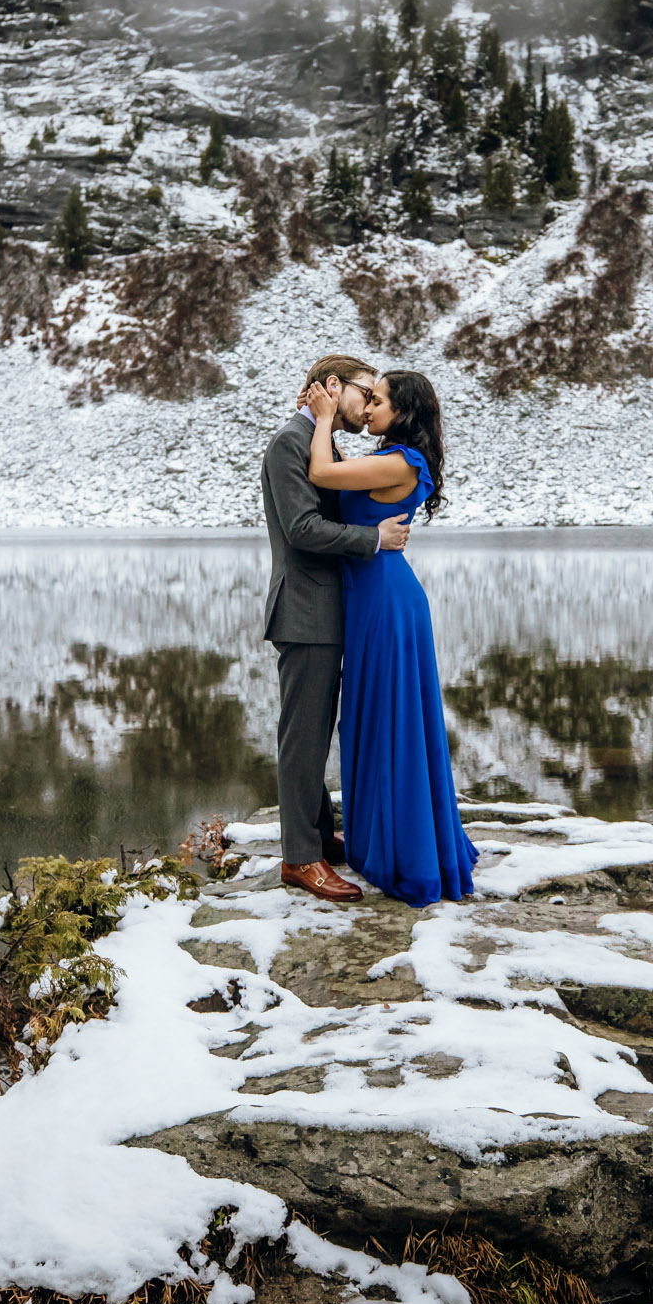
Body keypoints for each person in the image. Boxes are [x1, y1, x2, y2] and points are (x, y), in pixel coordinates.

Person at [299, 369, 476, 907]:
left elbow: (323, 473)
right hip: (372, 599)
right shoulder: (391, 458)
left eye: (377, 401)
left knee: (389, 720)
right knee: (374, 718)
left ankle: (407, 852)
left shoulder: (401, 461)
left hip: (386, 603)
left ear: (403, 411)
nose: (369, 408)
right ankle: (385, 840)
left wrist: (325, 420)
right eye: (368, 398)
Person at [259, 355, 410, 903]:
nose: (368, 404)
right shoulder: (288, 444)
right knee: (303, 734)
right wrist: (373, 541)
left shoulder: (320, 441)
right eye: (364, 392)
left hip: (328, 610)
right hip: (305, 611)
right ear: (331, 386)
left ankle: (319, 835)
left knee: (316, 728)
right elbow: (301, 529)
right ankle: (300, 859)